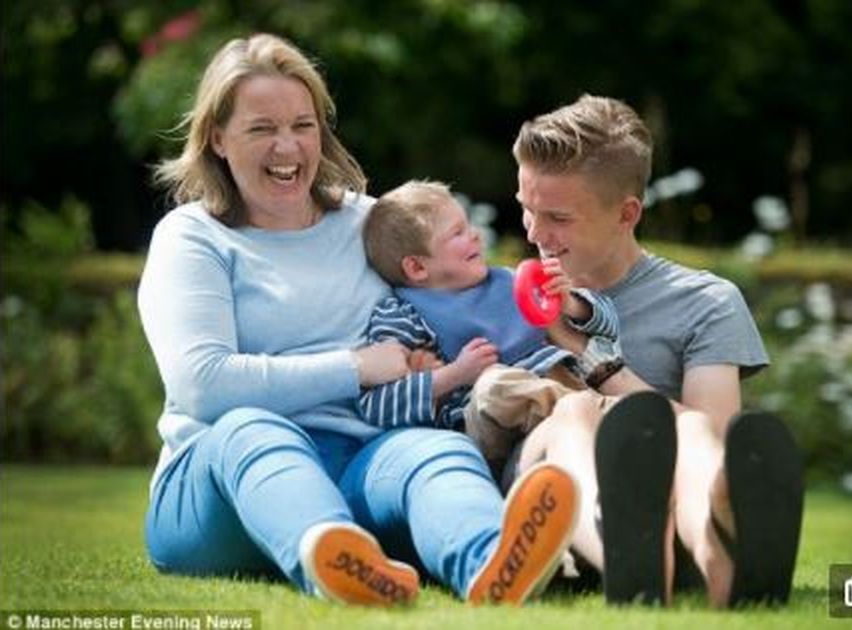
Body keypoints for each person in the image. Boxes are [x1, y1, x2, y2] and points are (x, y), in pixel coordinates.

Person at [138, 33, 582, 608]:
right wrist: (356, 367)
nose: (287, 146)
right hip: (221, 483)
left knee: (432, 451)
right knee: (254, 429)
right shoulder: (193, 237)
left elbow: (458, 295)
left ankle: (493, 560)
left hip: (362, 468)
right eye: (262, 128)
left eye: (302, 125)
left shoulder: (370, 224)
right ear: (218, 138)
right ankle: (329, 552)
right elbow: (203, 385)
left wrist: (542, 314)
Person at [499, 94, 804, 607]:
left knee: (693, 429)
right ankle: (618, 548)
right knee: (575, 411)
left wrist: (586, 353)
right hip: (549, 498)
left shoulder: (705, 301)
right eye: (526, 209)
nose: (534, 232)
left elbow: (716, 437)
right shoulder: (500, 293)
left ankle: (717, 551)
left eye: (557, 217)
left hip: (672, 501)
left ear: (627, 213)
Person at [358, 180, 622, 473]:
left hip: (560, 393)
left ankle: (597, 421)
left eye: (468, 225)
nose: (474, 234)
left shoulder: (513, 280)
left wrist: (571, 303)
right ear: (417, 268)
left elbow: (610, 327)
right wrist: (454, 375)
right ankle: (609, 417)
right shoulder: (403, 315)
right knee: (494, 385)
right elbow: (376, 407)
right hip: (491, 426)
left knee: (546, 388)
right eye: (457, 232)